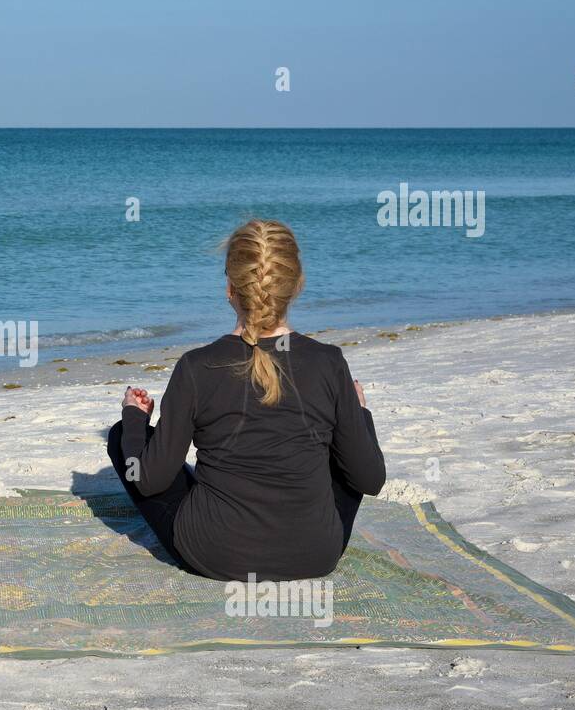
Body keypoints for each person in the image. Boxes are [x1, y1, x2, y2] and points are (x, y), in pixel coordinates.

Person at [108, 219, 385, 581]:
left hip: (216, 554)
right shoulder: (328, 363)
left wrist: (134, 420)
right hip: (315, 554)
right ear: (296, 285)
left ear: (229, 288)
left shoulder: (196, 366)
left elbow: (148, 481)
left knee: (120, 436)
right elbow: (371, 480)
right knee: (348, 448)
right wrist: (359, 413)